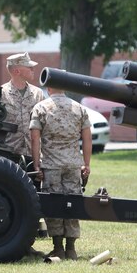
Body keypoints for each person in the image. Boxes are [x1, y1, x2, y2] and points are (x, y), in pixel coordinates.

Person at [30, 83, 92, 260]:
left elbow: (35, 139)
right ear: (64, 88)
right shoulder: (79, 108)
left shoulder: (40, 107)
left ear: (48, 89)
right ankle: (71, 249)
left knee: (54, 206)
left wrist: (36, 165)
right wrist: (86, 164)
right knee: (73, 203)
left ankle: (58, 248)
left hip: (51, 165)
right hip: (73, 165)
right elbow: (87, 138)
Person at [0, 52, 45, 160]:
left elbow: (45, 125)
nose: (33, 70)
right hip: (8, 156)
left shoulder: (38, 94)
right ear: (17, 71)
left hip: (33, 156)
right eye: (29, 67)